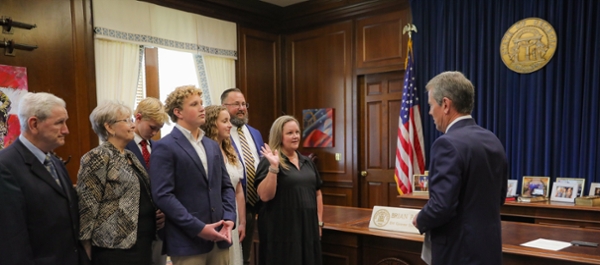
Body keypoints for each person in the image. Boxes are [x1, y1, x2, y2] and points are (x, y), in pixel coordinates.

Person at [412, 71, 508, 265]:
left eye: (431, 105)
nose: (430, 112)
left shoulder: (446, 144)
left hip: (458, 254)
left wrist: (420, 219)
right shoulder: (492, 140)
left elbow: (441, 207)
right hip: (489, 250)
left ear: (446, 104)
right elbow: (500, 197)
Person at [151, 85, 236, 265]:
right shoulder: (164, 147)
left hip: (220, 238)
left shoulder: (211, 145)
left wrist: (229, 218)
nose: (201, 108)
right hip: (187, 242)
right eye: (194, 104)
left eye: (202, 103)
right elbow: (163, 196)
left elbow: (226, 186)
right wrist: (199, 228)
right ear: (178, 112)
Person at [0, 92, 88, 264]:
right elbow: (11, 240)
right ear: (34, 124)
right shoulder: (5, 167)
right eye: (59, 123)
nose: (66, 130)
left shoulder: (55, 162)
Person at [77, 101, 161, 265]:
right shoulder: (97, 156)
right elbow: (87, 204)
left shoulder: (130, 156)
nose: (132, 126)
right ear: (109, 127)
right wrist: (86, 246)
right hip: (114, 248)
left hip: (142, 242)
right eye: (127, 120)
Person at [255, 115, 323, 265]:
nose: (295, 136)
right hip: (281, 232)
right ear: (279, 136)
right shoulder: (268, 162)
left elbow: (317, 193)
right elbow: (265, 196)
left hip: (307, 229)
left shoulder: (307, 162)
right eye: (290, 133)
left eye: (297, 132)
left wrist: (319, 222)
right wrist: (274, 167)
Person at [220, 88, 264, 265]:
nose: (242, 108)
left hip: (257, 206)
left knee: (247, 256)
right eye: (236, 104)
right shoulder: (219, 135)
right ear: (223, 106)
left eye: (244, 104)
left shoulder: (255, 133)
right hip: (232, 207)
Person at [125, 97, 170, 265]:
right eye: (152, 127)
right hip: (134, 230)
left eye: (159, 129)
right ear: (138, 117)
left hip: (160, 227)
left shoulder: (159, 148)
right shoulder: (123, 147)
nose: (154, 133)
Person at [200, 105, 246, 265]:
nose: (230, 125)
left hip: (232, 216)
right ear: (212, 124)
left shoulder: (230, 151)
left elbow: (238, 190)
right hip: (215, 217)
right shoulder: (203, 152)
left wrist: (242, 222)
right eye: (224, 121)